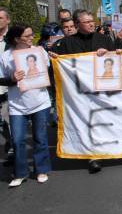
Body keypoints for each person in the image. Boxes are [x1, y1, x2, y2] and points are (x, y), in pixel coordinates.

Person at [51, 10, 116, 174]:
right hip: (78, 92)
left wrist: (109, 53)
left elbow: (116, 60)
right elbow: (60, 68)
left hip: (102, 89)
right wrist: (54, 60)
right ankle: (93, 155)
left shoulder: (105, 39)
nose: (92, 23)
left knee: (102, 120)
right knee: (86, 122)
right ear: (77, 24)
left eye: (92, 20)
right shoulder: (67, 43)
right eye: (87, 22)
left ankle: (105, 149)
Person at [0, 24, 52, 187]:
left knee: (40, 138)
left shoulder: (39, 52)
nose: (31, 38)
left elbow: (49, 70)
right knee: (18, 140)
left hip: (40, 102)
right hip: (17, 105)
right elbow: (1, 78)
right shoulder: (6, 56)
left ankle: (41, 170)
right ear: (17, 39)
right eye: (28, 36)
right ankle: (21, 172)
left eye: (32, 35)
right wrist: (12, 79)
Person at [0, 8, 12, 164]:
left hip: (11, 87)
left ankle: (13, 149)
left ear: (8, 20)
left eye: (1, 17)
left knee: (10, 120)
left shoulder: (14, 39)